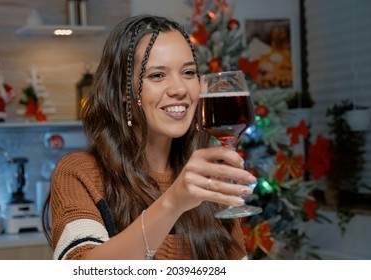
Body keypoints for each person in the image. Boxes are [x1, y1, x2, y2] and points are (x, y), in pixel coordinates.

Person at [43, 14, 256, 260]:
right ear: (124, 91)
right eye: (157, 75)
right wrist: (173, 202)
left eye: (188, 72)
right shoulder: (79, 174)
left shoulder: (208, 178)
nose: (179, 89)